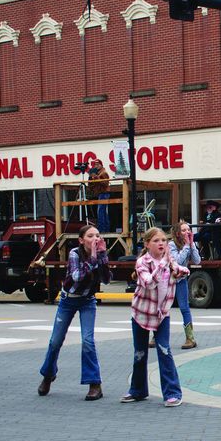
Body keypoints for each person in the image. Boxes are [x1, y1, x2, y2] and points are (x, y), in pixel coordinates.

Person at [37, 225, 111, 401]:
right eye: (91, 236)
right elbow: (78, 276)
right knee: (55, 341)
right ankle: (48, 375)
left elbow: (107, 279)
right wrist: (93, 256)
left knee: (87, 340)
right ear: (81, 240)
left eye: (98, 236)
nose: (95, 239)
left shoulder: (99, 254)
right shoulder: (74, 253)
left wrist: (102, 257)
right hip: (68, 300)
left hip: (87, 301)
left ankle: (94, 384)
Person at [122, 227, 189, 405]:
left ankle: (172, 393)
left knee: (164, 350)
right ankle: (137, 390)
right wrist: (163, 264)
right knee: (140, 353)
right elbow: (149, 283)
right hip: (142, 314)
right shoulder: (142, 262)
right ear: (147, 244)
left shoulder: (169, 260)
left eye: (163, 241)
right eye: (156, 241)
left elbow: (180, 270)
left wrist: (179, 270)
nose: (161, 244)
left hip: (162, 314)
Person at [167, 220, 201, 350]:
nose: (187, 232)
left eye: (188, 230)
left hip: (181, 280)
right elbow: (178, 262)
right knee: (163, 308)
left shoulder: (189, 244)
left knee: (184, 308)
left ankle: (190, 338)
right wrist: (187, 245)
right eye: (184, 230)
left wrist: (191, 245)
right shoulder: (171, 245)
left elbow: (197, 260)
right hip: (168, 280)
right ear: (177, 233)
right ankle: (156, 336)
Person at [87, 158, 111, 234]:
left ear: (101, 165)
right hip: (101, 194)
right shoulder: (98, 173)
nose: (96, 166)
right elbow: (92, 185)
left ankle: (102, 229)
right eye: (95, 165)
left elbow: (105, 183)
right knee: (103, 212)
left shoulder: (104, 173)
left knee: (101, 212)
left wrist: (97, 178)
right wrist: (91, 178)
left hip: (104, 193)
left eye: (98, 164)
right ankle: (105, 229)